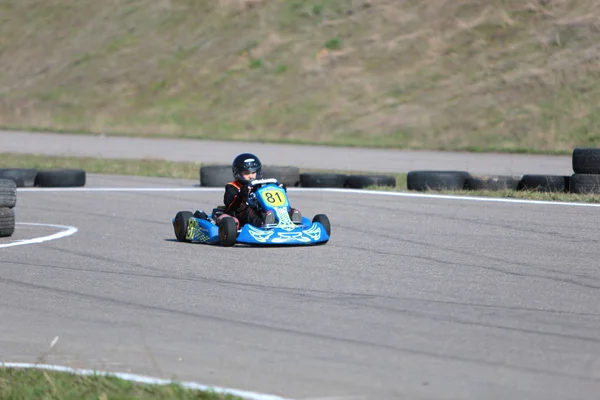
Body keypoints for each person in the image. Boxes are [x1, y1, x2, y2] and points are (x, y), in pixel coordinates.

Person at [217, 153, 302, 229]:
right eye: (247, 173)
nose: (251, 176)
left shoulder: (262, 183)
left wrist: (280, 189)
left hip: (261, 209)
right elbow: (230, 204)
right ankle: (263, 223)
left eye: (253, 172)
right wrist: (241, 193)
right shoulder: (233, 186)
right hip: (241, 213)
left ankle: (292, 217)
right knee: (249, 211)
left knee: (277, 208)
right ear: (238, 173)